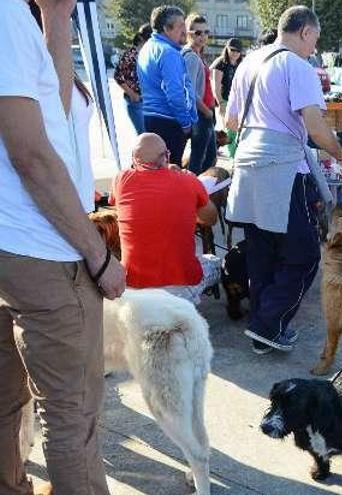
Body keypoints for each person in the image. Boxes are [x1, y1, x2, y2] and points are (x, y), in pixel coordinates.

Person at [1, 1, 126, 493]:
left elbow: (53, 112)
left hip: (21, 246)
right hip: (43, 250)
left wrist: (56, 17)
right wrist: (98, 257)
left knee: (10, 404)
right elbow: (30, 152)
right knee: (73, 418)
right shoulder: (7, 13)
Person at [225, 6, 342, 354]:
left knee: (261, 252)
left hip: (247, 164)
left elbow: (231, 121)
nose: (314, 46)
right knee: (305, 254)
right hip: (282, 168)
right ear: (306, 32)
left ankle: (264, 327)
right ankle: (268, 324)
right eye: (316, 39)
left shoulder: (248, 62)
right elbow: (315, 128)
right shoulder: (298, 66)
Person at [110, 134, 220, 303]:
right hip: (181, 286)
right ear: (166, 156)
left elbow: (121, 204)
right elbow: (211, 219)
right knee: (214, 262)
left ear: (134, 159)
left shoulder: (120, 179)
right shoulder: (188, 181)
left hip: (134, 285)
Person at [138, 5, 198, 166]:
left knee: (154, 170)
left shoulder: (147, 48)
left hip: (152, 118)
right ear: (166, 28)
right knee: (170, 171)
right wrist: (186, 123)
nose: (185, 31)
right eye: (180, 26)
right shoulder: (169, 52)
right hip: (169, 121)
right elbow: (175, 94)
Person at [181, 13, 217, 176]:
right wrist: (206, 111)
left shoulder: (195, 54)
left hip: (204, 113)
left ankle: (196, 193)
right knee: (202, 159)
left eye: (206, 32)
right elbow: (190, 91)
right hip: (201, 115)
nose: (203, 36)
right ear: (188, 33)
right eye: (198, 32)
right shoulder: (191, 57)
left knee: (206, 158)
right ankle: (195, 194)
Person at [113, 23, 151, 135]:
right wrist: (132, 94)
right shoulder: (129, 55)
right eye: (149, 39)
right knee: (144, 136)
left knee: (150, 136)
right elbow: (118, 76)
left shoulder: (147, 54)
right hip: (136, 102)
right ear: (141, 38)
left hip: (147, 101)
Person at [211, 38, 244, 157]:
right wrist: (221, 103)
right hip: (225, 100)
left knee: (237, 130)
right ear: (227, 49)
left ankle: (234, 155)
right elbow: (216, 85)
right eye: (232, 50)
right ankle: (233, 157)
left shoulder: (241, 63)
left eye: (238, 51)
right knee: (230, 129)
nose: (235, 53)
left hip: (238, 101)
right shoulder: (220, 63)